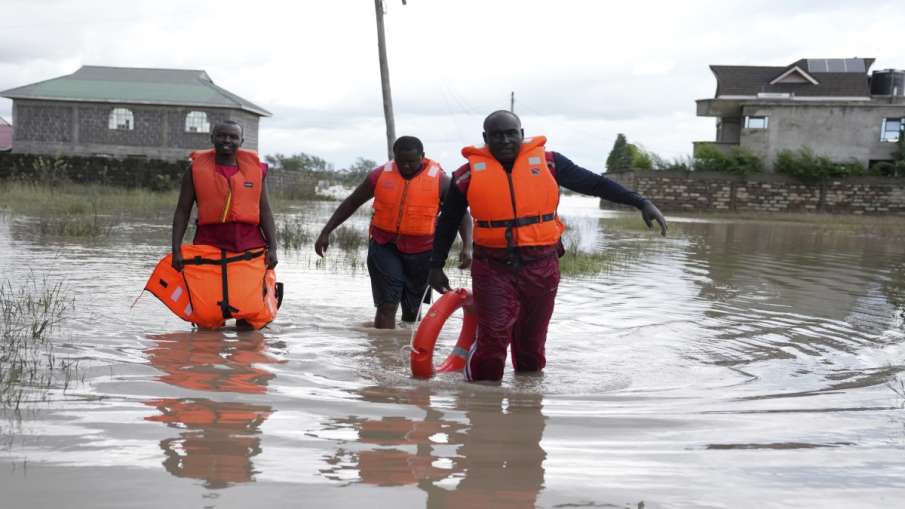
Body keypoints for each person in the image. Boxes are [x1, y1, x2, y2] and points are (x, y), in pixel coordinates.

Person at [429, 111, 667, 382]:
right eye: (497, 135)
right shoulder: (467, 175)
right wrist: (435, 266)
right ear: (485, 138)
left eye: (511, 133)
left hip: (541, 265)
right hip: (492, 267)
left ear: (521, 134)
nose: (505, 140)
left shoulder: (551, 163)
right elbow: (447, 223)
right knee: (493, 340)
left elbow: (595, 184)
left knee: (531, 349)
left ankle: (527, 408)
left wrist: (640, 202)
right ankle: (482, 406)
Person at [315, 136, 472, 329]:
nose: (406, 166)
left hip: (423, 252)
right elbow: (352, 202)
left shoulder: (441, 181)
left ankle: (402, 353)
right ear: (394, 157)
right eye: (400, 161)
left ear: (422, 157)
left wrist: (467, 246)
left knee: (412, 311)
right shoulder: (379, 175)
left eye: (411, 162)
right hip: (384, 246)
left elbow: (461, 215)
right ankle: (382, 353)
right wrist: (326, 231)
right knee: (387, 305)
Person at [170, 120, 278, 329]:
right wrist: (176, 250)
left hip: (249, 247)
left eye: (233, 137)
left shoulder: (256, 171)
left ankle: (243, 360)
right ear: (212, 138)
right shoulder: (194, 171)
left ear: (241, 141)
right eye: (221, 136)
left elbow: (265, 210)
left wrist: (273, 247)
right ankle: (208, 360)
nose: (227, 140)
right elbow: (182, 211)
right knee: (208, 319)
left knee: (249, 320)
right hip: (208, 247)